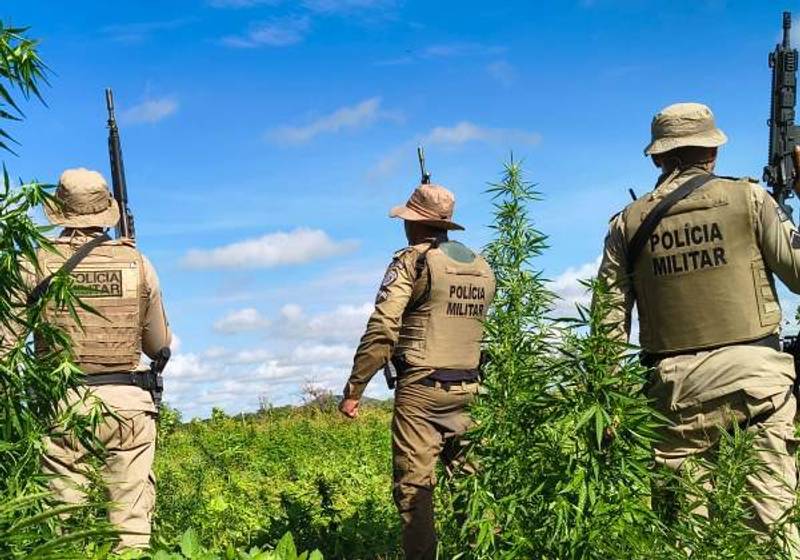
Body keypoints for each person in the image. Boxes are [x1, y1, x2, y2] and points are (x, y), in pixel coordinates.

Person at [596, 102, 800, 548]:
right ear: (713, 151)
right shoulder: (750, 199)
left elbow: (607, 324)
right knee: (772, 534)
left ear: (657, 157)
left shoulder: (627, 224)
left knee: (684, 543)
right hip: (756, 389)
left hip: (674, 398)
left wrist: (607, 404)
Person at [339, 183, 496, 560]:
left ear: (415, 223)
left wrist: (355, 389)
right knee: (474, 486)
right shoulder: (481, 266)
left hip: (421, 391)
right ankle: (486, 552)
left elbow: (383, 328)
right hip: (473, 389)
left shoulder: (412, 261)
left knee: (415, 492)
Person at [36, 168, 171, 551]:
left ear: (59, 210)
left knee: (61, 527)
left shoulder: (35, 263)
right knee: (130, 528)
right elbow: (159, 346)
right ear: (106, 210)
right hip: (128, 406)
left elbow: (5, 344)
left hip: (61, 405)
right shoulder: (138, 263)